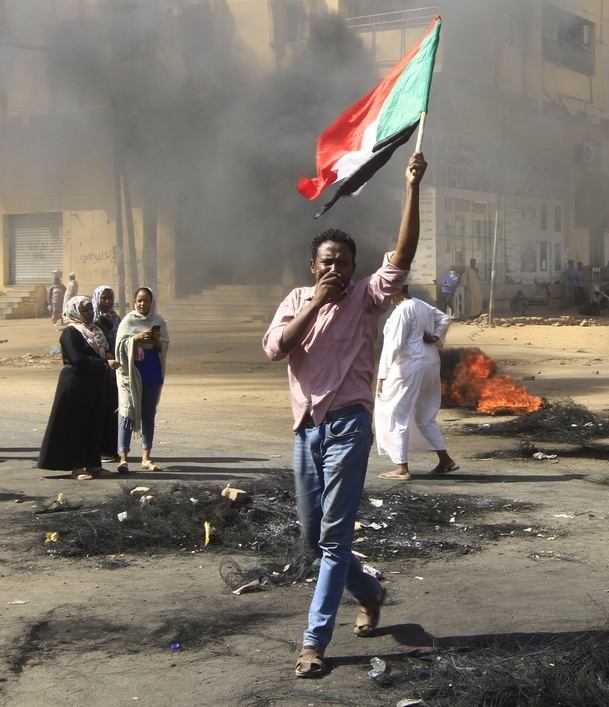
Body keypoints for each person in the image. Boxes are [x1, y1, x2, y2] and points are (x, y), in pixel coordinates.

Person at [262, 151, 426, 679]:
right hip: (305, 432)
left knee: (334, 539)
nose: (335, 268)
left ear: (355, 269)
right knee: (313, 540)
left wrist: (411, 187)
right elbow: (275, 349)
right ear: (314, 266)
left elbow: (402, 254)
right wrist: (314, 303)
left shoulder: (365, 299)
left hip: (349, 426)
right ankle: (371, 590)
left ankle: (314, 642)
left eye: (343, 262)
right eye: (327, 261)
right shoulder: (295, 300)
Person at [375, 286, 458, 480]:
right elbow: (445, 319)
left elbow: (392, 345)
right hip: (430, 362)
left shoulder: (402, 311)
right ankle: (445, 460)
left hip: (410, 366)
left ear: (394, 292)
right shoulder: (421, 305)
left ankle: (402, 468)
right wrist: (436, 337)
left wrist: (382, 375)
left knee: (396, 414)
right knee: (424, 415)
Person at [37, 296, 121, 479]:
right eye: (85, 310)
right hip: (76, 384)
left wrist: (107, 356)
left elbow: (100, 352)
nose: (90, 313)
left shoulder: (95, 331)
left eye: (91, 309)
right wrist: (104, 364)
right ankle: (76, 467)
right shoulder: (71, 332)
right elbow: (76, 359)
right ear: (75, 312)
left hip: (96, 384)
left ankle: (93, 464)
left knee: (95, 423)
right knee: (77, 425)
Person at [115, 286, 169, 473]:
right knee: (127, 413)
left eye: (146, 300)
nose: (142, 304)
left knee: (148, 416)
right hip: (131, 375)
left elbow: (164, 348)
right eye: (139, 300)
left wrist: (156, 340)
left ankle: (146, 458)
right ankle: (123, 458)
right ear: (135, 302)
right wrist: (136, 338)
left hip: (152, 373)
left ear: (151, 302)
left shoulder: (158, 320)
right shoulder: (128, 321)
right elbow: (119, 346)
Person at [92, 285, 121, 462]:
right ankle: (97, 449)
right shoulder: (91, 320)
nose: (107, 301)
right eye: (103, 298)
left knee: (112, 409)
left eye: (110, 297)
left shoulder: (117, 319)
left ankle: (111, 449)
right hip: (97, 370)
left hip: (113, 370)